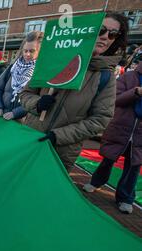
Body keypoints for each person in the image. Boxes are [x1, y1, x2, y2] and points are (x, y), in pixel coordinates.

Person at [20, 13, 129, 172]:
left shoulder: (106, 77)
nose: (105, 37)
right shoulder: (54, 61)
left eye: (112, 34)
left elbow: (100, 119)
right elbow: (25, 94)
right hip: (30, 138)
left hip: (61, 152)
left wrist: (59, 136)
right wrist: (37, 103)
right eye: (101, 30)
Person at [82, 59, 142, 214]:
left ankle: (125, 198)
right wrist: (135, 92)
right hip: (121, 127)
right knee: (109, 158)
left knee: (134, 166)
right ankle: (96, 182)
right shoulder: (129, 77)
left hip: (140, 134)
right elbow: (115, 99)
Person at [0, 32, 43, 121]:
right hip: (2, 117)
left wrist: (15, 113)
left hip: (23, 121)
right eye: (25, 50)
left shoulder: (41, 72)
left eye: (32, 51)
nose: (27, 54)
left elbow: (39, 101)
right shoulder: (13, 67)